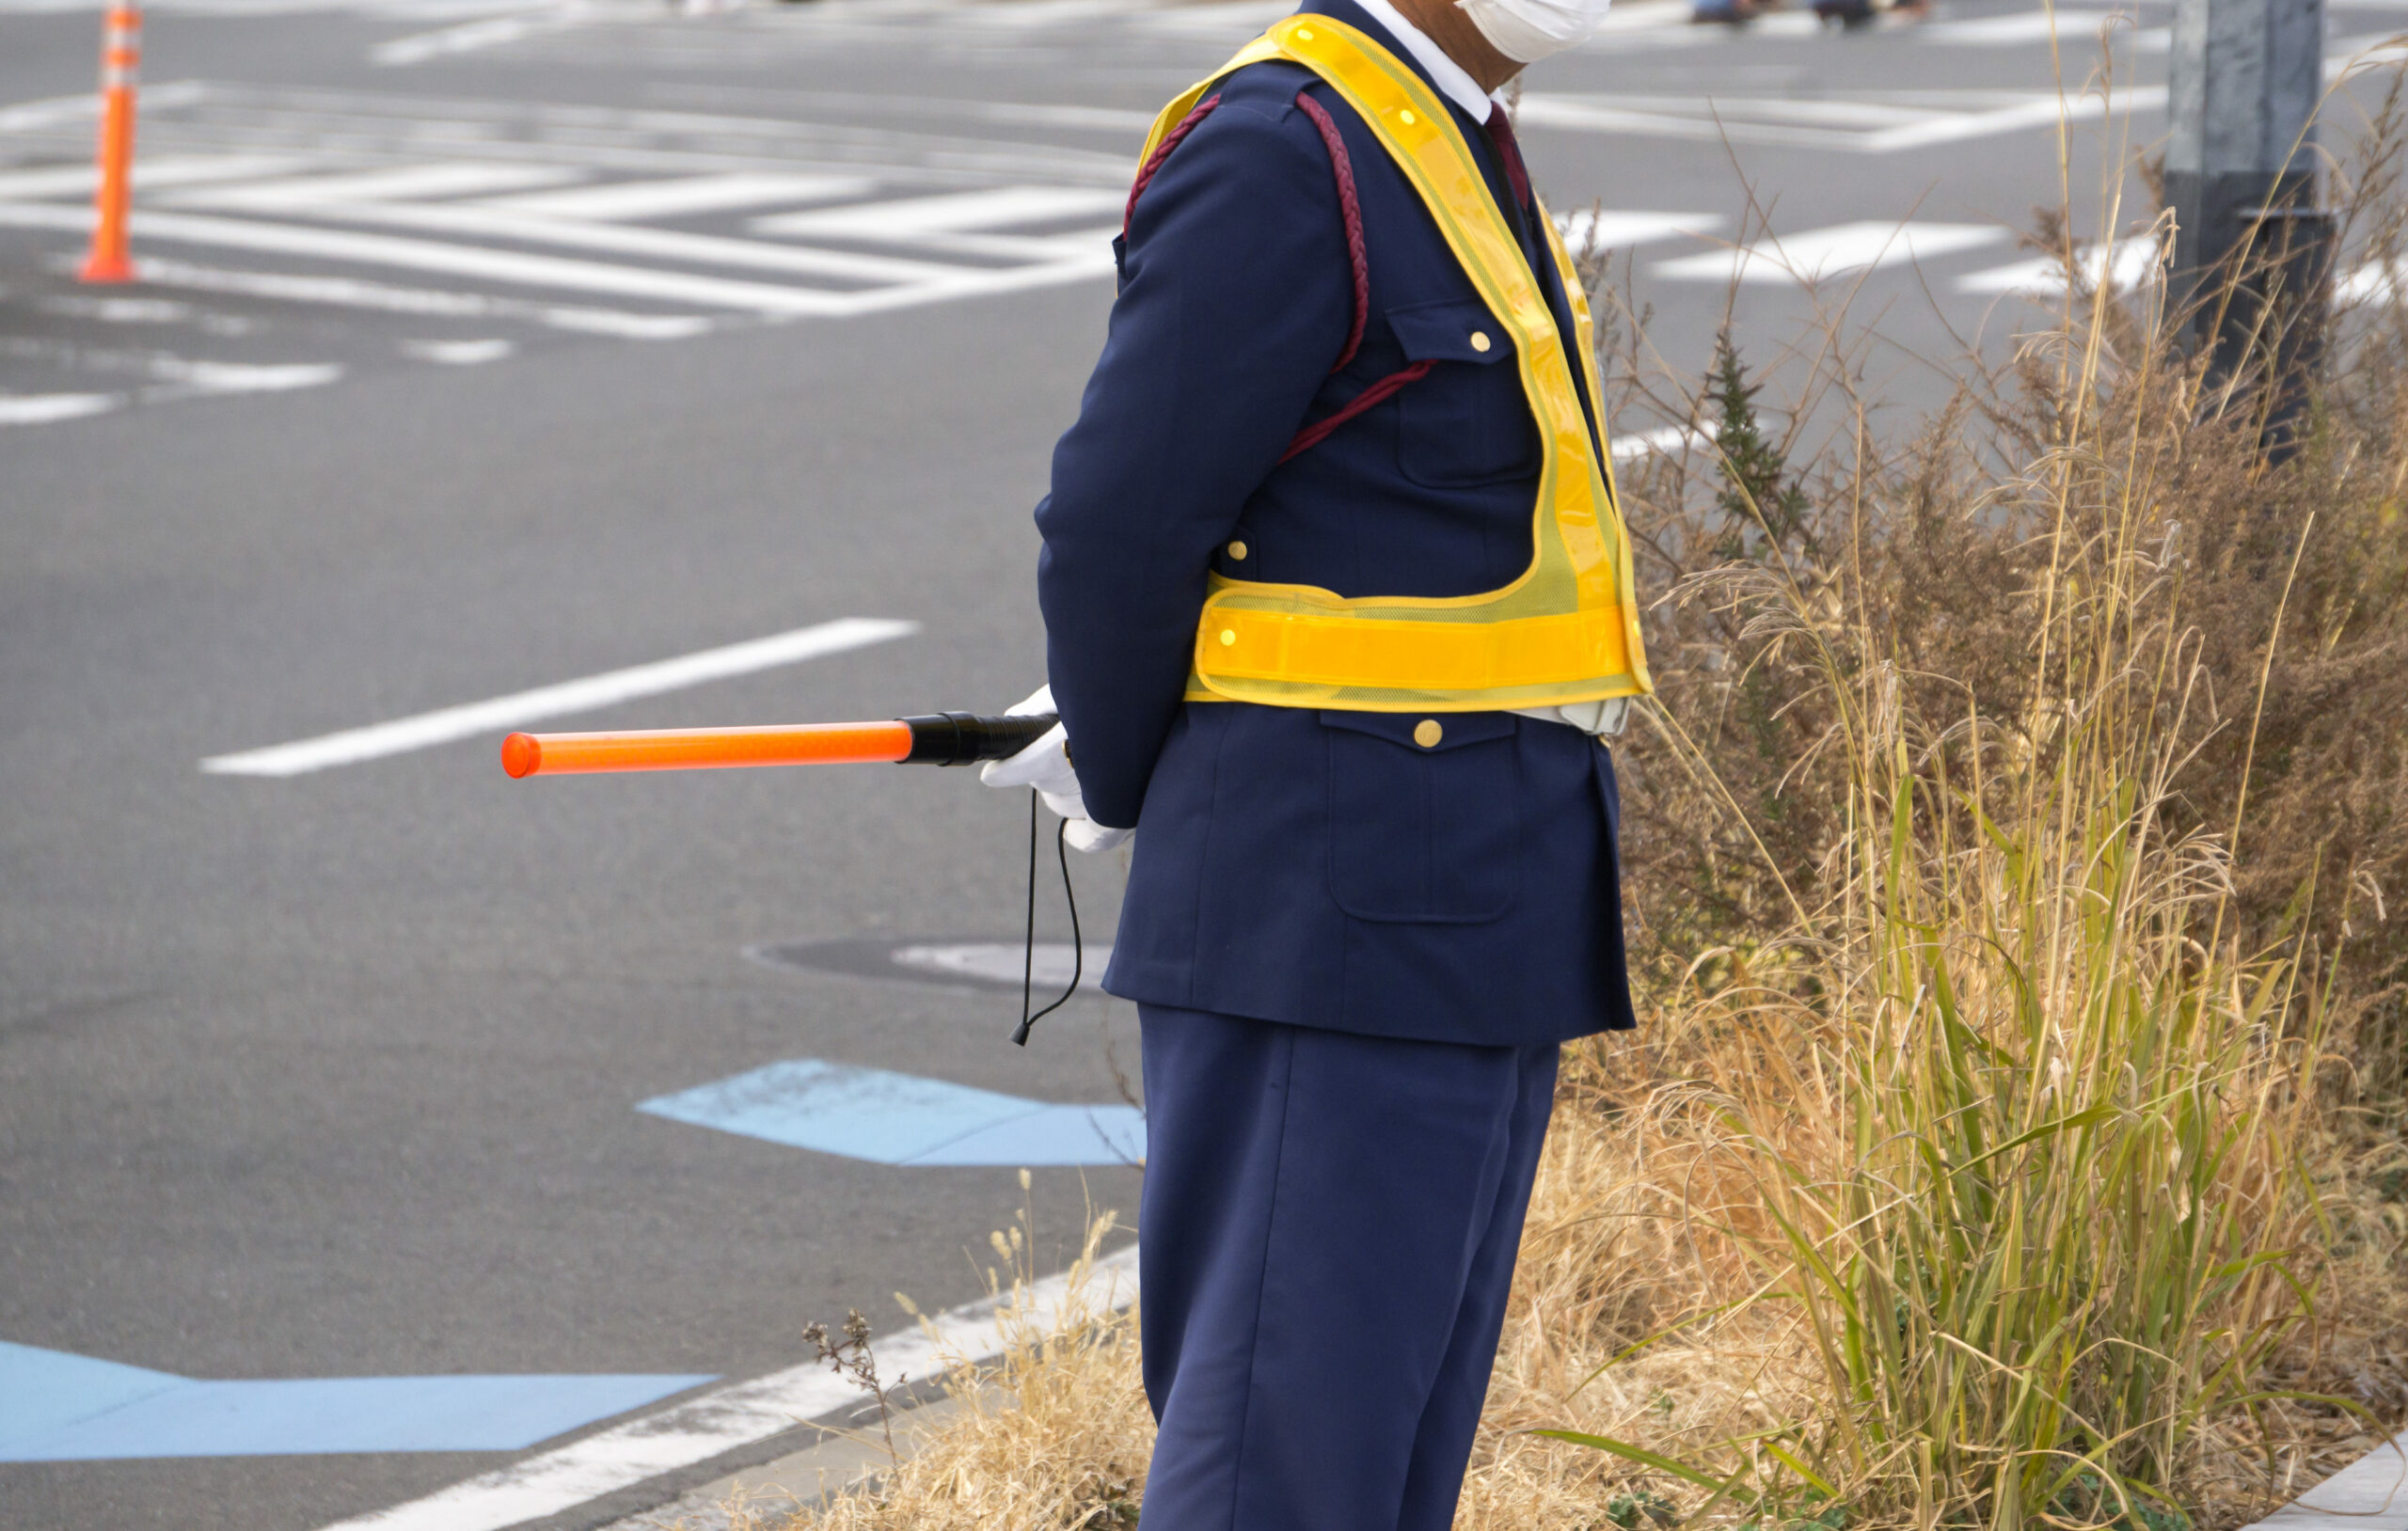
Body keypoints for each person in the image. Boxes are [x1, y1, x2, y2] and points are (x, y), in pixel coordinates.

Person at [982, 0, 1648, 1521]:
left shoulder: (1446, 132)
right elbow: (1120, 519)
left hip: (1478, 895)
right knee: (1281, 1468)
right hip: (1334, 911)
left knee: (1386, 1467)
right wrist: (1114, 742)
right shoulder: (1287, 149)